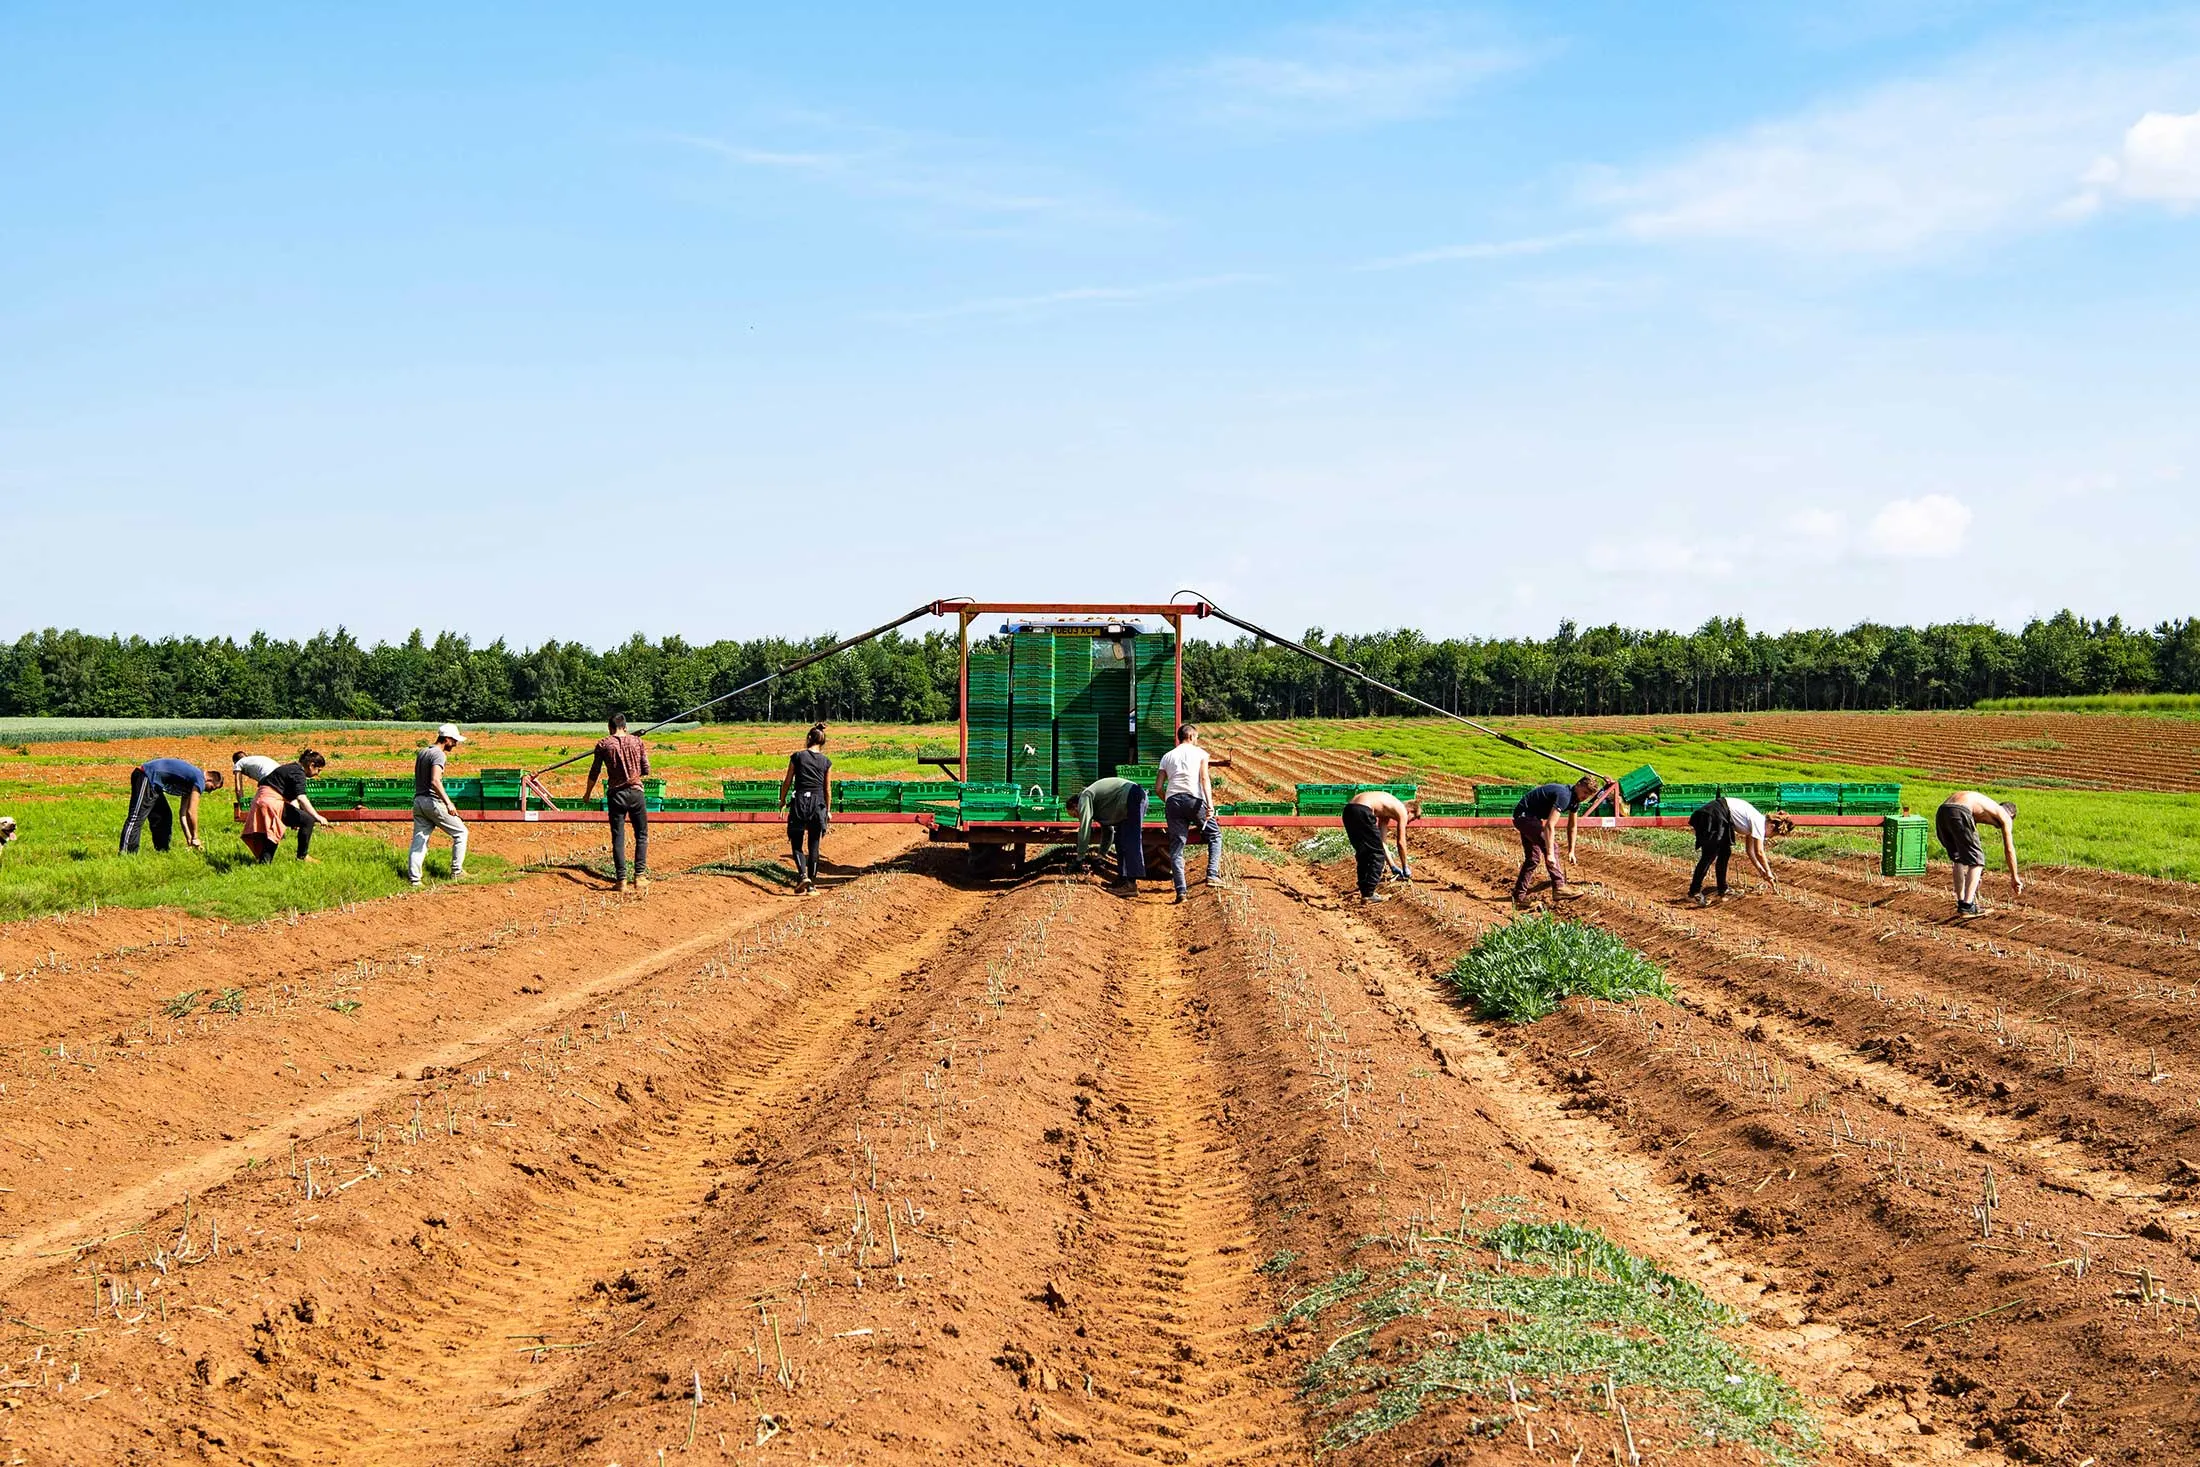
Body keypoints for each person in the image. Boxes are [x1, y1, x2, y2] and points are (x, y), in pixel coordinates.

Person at [1510, 775, 1604, 907]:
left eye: (1588, 795)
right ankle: (1559, 886)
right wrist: (1549, 853)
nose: (1585, 797)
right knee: (1552, 847)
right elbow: (1549, 826)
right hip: (1526, 817)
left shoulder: (1574, 801)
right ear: (1578, 785)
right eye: (1585, 792)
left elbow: (1572, 826)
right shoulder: (1564, 795)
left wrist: (1571, 851)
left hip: (1525, 817)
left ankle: (1518, 897)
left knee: (1533, 858)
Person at [1155, 724, 1223, 904]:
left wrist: (1169, 801)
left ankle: (1181, 892)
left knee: (1177, 847)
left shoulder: (1167, 756)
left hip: (1173, 801)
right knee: (1215, 835)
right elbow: (1204, 779)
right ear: (1192, 737)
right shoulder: (1200, 753)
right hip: (1194, 800)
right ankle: (1212, 875)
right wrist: (1210, 805)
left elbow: (1158, 788)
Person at [583, 713, 651, 893]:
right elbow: (646, 769)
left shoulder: (603, 744)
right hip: (636, 793)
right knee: (641, 835)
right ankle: (640, 877)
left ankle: (621, 881)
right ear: (625, 726)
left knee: (618, 838)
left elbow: (594, 771)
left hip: (616, 795)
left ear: (610, 728)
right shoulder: (637, 742)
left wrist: (587, 794)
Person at [1686, 795, 1794, 906]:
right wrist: (1769, 872)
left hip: (1720, 815)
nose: (1768, 838)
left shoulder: (1756, 822)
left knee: (1725, 852)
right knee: (1709, 855)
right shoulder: (1759, 823)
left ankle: (1723, 890)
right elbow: (1759, 852)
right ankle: (1694, 893)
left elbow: (1750, 851)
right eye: (1771, 835)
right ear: (1771, 826)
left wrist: (1762, 871)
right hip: (1714, 814)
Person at [1936, 790, 2022, 917]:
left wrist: (1976, 876)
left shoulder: (1984, 808)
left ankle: (1961, 902)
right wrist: (2014, 877)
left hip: (1943, 811)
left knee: (1958, 858)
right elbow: (2009, 849)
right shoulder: (2005, 816)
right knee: (1977, 861)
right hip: (1959, 811)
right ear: (2012, 815)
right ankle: (1967, 906)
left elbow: (1967, 841)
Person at [407, 724, 470, 887]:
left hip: (418, 801)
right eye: (454, 741)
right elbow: (435, 780)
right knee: (461, 833)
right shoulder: (439, 755)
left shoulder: (423, 752)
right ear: (447, 739)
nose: (455, 744)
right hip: (432, 802)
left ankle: (415, 880)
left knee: (419, 841)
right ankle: (457, 872)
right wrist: (449, 803)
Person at [120, 757, 222, 854]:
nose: (209, 791)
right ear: (209, 779)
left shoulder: (191, 783)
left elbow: (183, 814)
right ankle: (127, 854)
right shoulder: (199, 779)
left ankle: (162, 851)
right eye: (212, 788)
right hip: (146, 775)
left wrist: (189, 839)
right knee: (136, 817)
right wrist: (196, 837)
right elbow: (192, 812)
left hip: (155, 785)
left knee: (163, 816)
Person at [1069, 775, 1147, 893]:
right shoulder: (1099, 804)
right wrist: (1101, 854)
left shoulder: (1085, 796)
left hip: (1132, 796)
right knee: (1120, 842)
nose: (1077, 817)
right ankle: (1123, 880)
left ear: (1076, 806)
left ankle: (1131, 885)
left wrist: (1080, 858)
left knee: (1131, 841)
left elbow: (1085, 826)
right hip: (1127, 802)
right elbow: (1108, 830)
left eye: (1075, 815)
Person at [780, 724, 832, 894]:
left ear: (809, 738)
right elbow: (827, 789)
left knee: (796, 843)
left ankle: (803, 876)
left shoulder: (797, 757)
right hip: (818, 804)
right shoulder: (826, 762)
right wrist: (828, 810)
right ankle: (812, 885)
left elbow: (787, 781)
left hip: (800, 802)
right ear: (822, 741)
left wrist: (782, 800)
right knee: (814, 846)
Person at [255, 750, 332, 862]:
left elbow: (292, 797)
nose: (317, 774)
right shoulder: (299, 773)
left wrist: (296, 817)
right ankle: (302, 857)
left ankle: (264, 862)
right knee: (308, 820)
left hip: (262, 800)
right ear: (311, 766)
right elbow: (301, 798)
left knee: (273, 830)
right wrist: (317, 816)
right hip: (271, 802)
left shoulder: (292, 768)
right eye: (318, 770)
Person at [1342, 789, 1413, 902]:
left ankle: (1365, 892)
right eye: (1412, 819)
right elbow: (1401, 842)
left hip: (1349, 810)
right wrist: (1405, 866)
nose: (1409, 823)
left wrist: (1392, 865)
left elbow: (1382, 843)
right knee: (1376, 855)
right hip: (1363, 809)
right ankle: (1369, 894)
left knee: (1364, 853)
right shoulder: (1402, 811)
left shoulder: (1386, 812)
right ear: (1410, 811)